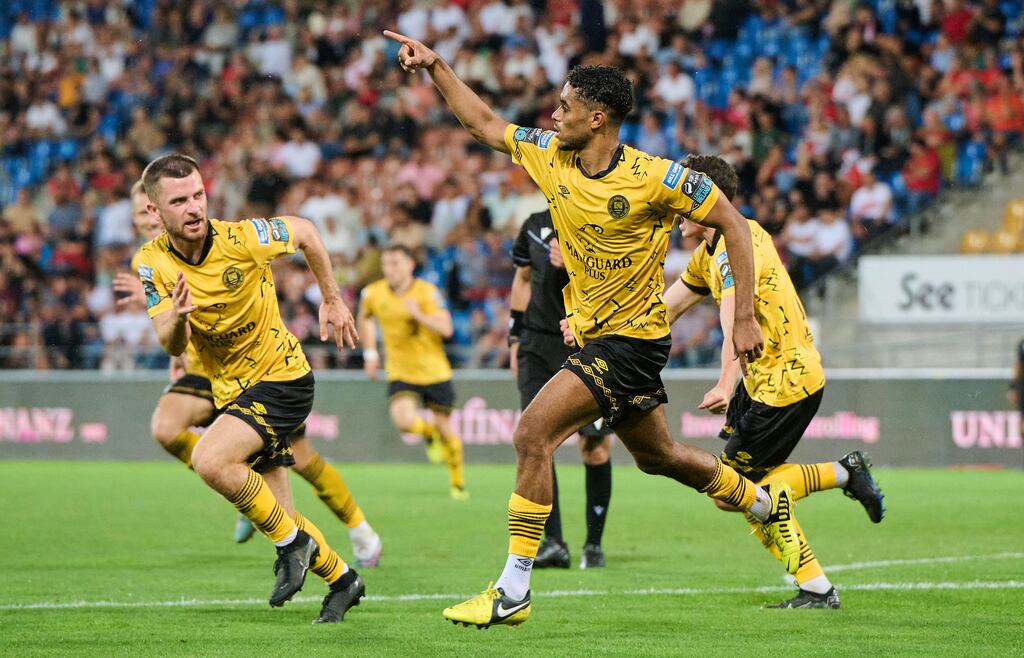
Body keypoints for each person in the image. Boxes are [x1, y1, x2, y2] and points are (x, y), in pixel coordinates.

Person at [384, 30, 800, 630]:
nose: (553, 116)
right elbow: (485, 125)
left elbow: (734, 225)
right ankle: (761, 501)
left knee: (532, 433)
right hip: (598, 338)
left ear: (596, 117)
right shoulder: (551, 153)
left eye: (565, 108)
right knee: (658, 457)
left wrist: (742, 321)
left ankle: (513, 590)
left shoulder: (657, 178)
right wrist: (437, 66)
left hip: (631, 342)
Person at [134, 154, 364, 623]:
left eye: (198, 194)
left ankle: (293, 546)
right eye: (179, 201)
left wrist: (333, 299)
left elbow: (304, 231)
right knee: (276, 513)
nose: (194, 207)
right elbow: (167, 339)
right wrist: (179, 320)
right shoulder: (150, 261)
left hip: (282, 379)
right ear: (155, 212)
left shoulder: (242, 238)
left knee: (209, 459)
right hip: (231, 391)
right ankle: (343, 580)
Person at [663, 154, 886, 609]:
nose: (674, 204)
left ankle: (843, 482)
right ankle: (818, 581)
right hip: (764, 381)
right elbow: (666, 308)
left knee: (737, 493)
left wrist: (726, 381)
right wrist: (598, 331)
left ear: (706, 199)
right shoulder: (709, 252)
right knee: (744, 493)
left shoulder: (732, 246)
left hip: (787, 381)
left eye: (683, 194)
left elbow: (733, 321)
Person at [510, 209, 613, 570]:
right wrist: (514, 337)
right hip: (537, 345)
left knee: (595, 447)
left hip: (585, 342)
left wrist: (573, 264)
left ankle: (593, 545)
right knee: (537, 441)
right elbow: (523, 278)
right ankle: (553, 543)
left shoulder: (596, 219)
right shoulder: (534, 226)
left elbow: (612, 281)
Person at [357, 244, 467, 499]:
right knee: (404, 422)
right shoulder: (373, 293)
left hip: (434, 371)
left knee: (446, 430)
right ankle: (428, 434)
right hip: (401, 371)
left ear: (410, 265)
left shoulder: (426, 292)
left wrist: (419, 314)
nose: (390, 269)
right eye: (386, 263)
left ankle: (457, 483)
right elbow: (365, 317)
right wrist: (370, 353)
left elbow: (447, 328)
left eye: (396, 263)